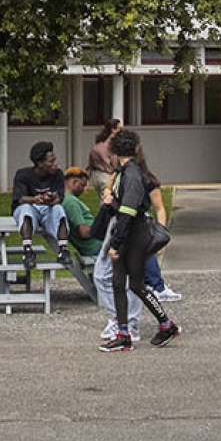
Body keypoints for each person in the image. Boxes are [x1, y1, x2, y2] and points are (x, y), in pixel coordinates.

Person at [97, 128, 180, 352]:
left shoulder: (130, 174)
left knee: (132, 283)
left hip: (133, 233)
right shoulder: (126, 172)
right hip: (133, 231)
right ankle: (146, 328)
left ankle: (159, 325)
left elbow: (127, 211)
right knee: (124, 282)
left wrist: (116, 242)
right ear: (134, 149)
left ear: (114, 150)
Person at [11, 140, 70, 271]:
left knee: (59, 209)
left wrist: (52, 199)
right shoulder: (23, 174)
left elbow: (59, 197)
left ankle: (63, 249)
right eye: (51, 161)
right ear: (40, 164)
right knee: (26, 209)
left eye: (55, 160)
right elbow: (20, 198)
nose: (55, 164)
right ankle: (27, 250)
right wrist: (35, 199)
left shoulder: (58, 174)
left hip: (48, 209)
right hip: (28, 208)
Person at [60, 166, 107, 257]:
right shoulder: (71, 203)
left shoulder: (66, 199)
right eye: (83, 185)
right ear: (74, 182)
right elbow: (84, 233)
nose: (84, 190)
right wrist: (102, 226)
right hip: (97, 248)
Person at [87, 119, 121, 195]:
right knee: (107, 202)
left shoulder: (98, 144)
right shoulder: (112, 145)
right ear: (113, 130)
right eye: (120, 129)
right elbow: (114, 163)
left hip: (95, 176)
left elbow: (91, 163)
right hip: (107, 176)